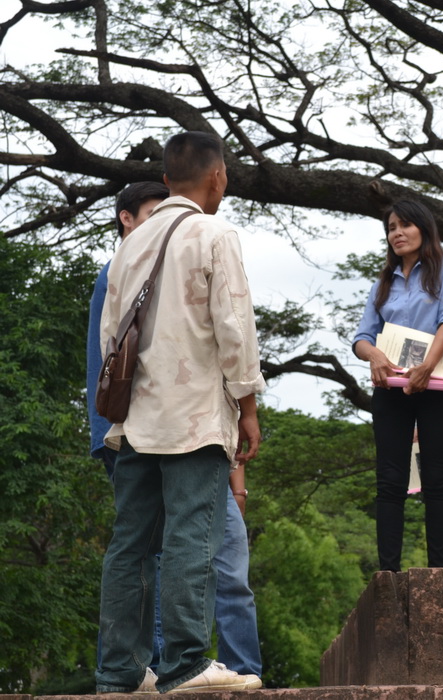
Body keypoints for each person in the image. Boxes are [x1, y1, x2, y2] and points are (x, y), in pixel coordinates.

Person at [95, 132, 266, 694]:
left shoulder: (130, 244)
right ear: (218, 176)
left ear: (167, 180)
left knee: (132, 543)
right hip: (194, 416)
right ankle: (187, 664)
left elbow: (110, 336)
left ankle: (121, 671)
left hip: (136, 419)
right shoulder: (214, 234)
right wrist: (248, 406)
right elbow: (234, 329)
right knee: (193, 536)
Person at [353, 200, 443, 572]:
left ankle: (439, 575)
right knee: (390, 481)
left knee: (438, 480)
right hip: (391, 389)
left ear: (423, 228)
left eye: (405, 225)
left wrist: (427, 367)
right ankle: (388, 574)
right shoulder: (382, 281)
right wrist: (373, 355)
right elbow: (362, 336)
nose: (397, 233)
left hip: (436, 385)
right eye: (391, 228)